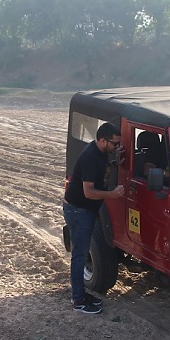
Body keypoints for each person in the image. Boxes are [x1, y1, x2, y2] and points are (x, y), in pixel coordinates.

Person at [63, 122, 125, 314]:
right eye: (115, 144)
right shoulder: (90, 157)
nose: (116, 147)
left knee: (81, 253)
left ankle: (81, 293)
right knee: (80, 256)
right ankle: (78, 301)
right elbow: (88, 192)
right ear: (102, 140)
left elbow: (102, 171)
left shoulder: (101, 153)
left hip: (85, 210)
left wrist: (116, 163)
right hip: (78, 210)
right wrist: (112, 195)